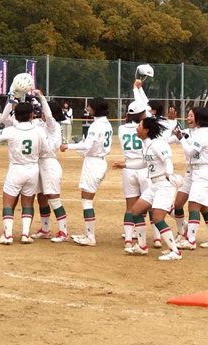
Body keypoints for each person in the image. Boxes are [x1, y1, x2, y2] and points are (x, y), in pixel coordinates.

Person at [0, 102, 49, 244]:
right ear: (31, 115)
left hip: (16, 169)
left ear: (16, 115)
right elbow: (46, 150)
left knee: (8, 203)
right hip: (32, 169)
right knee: (28, 203)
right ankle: (25, 234)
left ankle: (7, 235)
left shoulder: (12, 130)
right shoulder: (38, 130)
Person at [126, 117, 182, 261]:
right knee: (135, 211)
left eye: (139, 125)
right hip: (154, 185)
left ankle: (175, 251)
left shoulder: (158, 144)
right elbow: (143, 164)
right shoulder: (146, 144)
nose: (136, 128)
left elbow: (167, 161)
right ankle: (142, 246)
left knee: (157, 218)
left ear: (146, 130)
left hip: (164, 185)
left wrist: (169, 174)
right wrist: (125, 165)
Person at [170, 108, 208, 250]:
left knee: (194, 206)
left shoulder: (204, 134)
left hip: (204, 172)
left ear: (199, 119)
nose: (188, 118)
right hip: (194, 171)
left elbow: (190, 151)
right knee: (201, 206)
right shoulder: (199, 132)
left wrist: (181, 138)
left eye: (192, 116)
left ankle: (191, 240)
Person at [60, 98, 114, 247]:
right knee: (86, 199)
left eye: (90, 106)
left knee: (86, 201)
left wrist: (68, 146)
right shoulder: (107, 123)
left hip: (93, 163)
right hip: (99, 161)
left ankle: (90, 236)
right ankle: (88, 234)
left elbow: (87, 145)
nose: (88, 108)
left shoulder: (96, 125)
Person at [111, 98, 152, 253]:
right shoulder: (145, 129)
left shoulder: (121, 129)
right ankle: (156, 238)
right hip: (143, 167)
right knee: (151, 204)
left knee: (130, 206)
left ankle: (128, 239)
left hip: (128, 167)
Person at [32, 90, 70, 243]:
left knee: (54, 198)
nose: (42, 114)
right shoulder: (41, 124)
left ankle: (64, 231)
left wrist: (41, 98)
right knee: (41, 197)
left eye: (44, 111)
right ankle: (45, 229)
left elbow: (48, 116)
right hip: (39, 163)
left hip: (49, 164)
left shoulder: (53, 125)